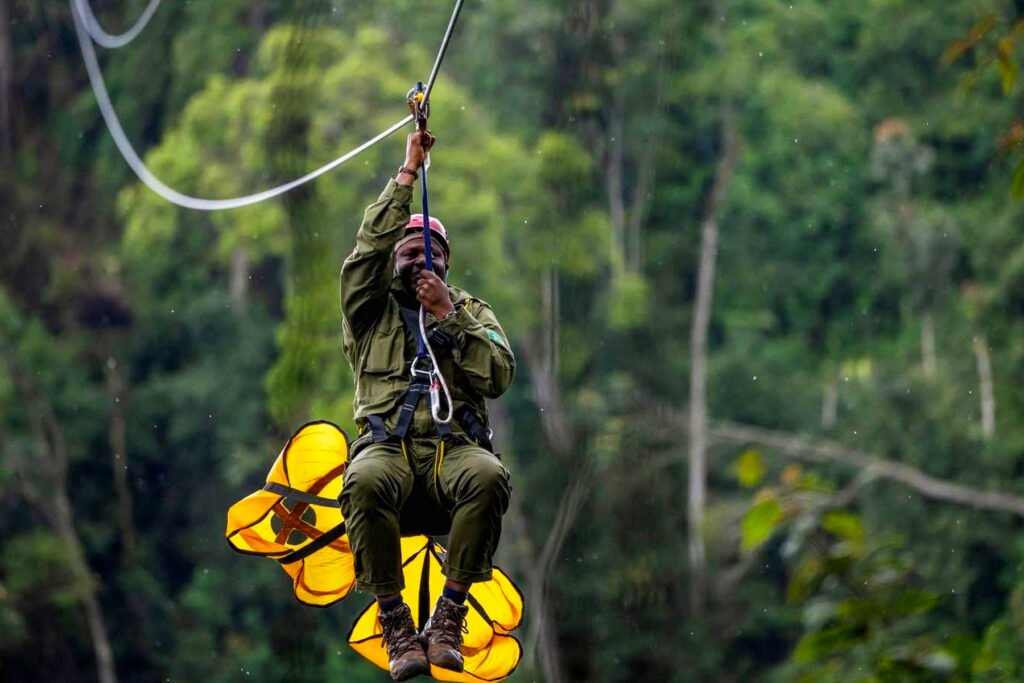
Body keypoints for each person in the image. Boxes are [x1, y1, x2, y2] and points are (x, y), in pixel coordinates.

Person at [338, 128, 515, 681]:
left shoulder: (470, 310)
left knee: (489, 476)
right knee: (362, 480)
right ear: (394, 259)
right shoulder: (368, 311)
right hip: (387, 452)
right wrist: (408, 174)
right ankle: (395, 620)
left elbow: (499, 374)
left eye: (432, 256)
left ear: (447, 264)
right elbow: (366, 253)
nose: (421, 263)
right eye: (411, 253)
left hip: (450, 459)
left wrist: (447, 315)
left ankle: (449, 613)